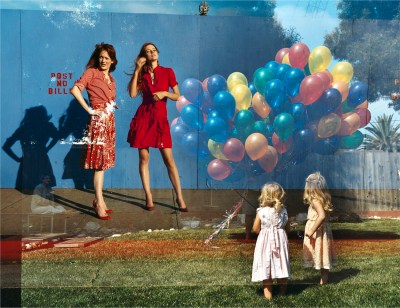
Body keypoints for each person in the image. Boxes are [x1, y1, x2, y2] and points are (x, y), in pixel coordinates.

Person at [127, 42, 188, 212]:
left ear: (158, 53)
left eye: (153, 50)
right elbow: (132, 94)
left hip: (160, 119)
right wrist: (138, 70)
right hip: (143, 118)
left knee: (169, 160)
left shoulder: (168, 72)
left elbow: (178, 96)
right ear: (144, 56)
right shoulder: (143, 74)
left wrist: (165, 93)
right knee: (144, 158)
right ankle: (148, 197)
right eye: (148, 51)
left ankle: (180, 198)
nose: (152, 53)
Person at [70, 43, 118, 220]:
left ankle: (101, 201)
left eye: (107, 57)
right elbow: (75, 89)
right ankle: (98, 202)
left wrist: (111, 107)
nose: (103, 60)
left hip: (110, 123)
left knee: (103, 165)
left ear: (112, 60)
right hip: (98, 123)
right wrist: (90, 110)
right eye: (101, 57)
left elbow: (110, 99)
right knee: (99, 165)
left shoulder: (111, 79)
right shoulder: (91, 72)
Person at [251, 182, 290, 300]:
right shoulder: (284, 211)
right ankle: (283, 293)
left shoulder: (261, 211)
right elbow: (288, 229)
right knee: (281, 263)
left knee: (266, 264)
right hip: (281, 240)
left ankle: (268, 296)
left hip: (265, 242)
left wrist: (265, 231)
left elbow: (255, 229)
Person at [302, 172, 337, 285]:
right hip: (323, 231)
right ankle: (324, 278)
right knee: (323, 253)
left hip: (318, 232)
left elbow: (321, 216)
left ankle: (323, 279)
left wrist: (311, 230)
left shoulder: (315, 200)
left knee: (320, 252)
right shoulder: (322, 199)